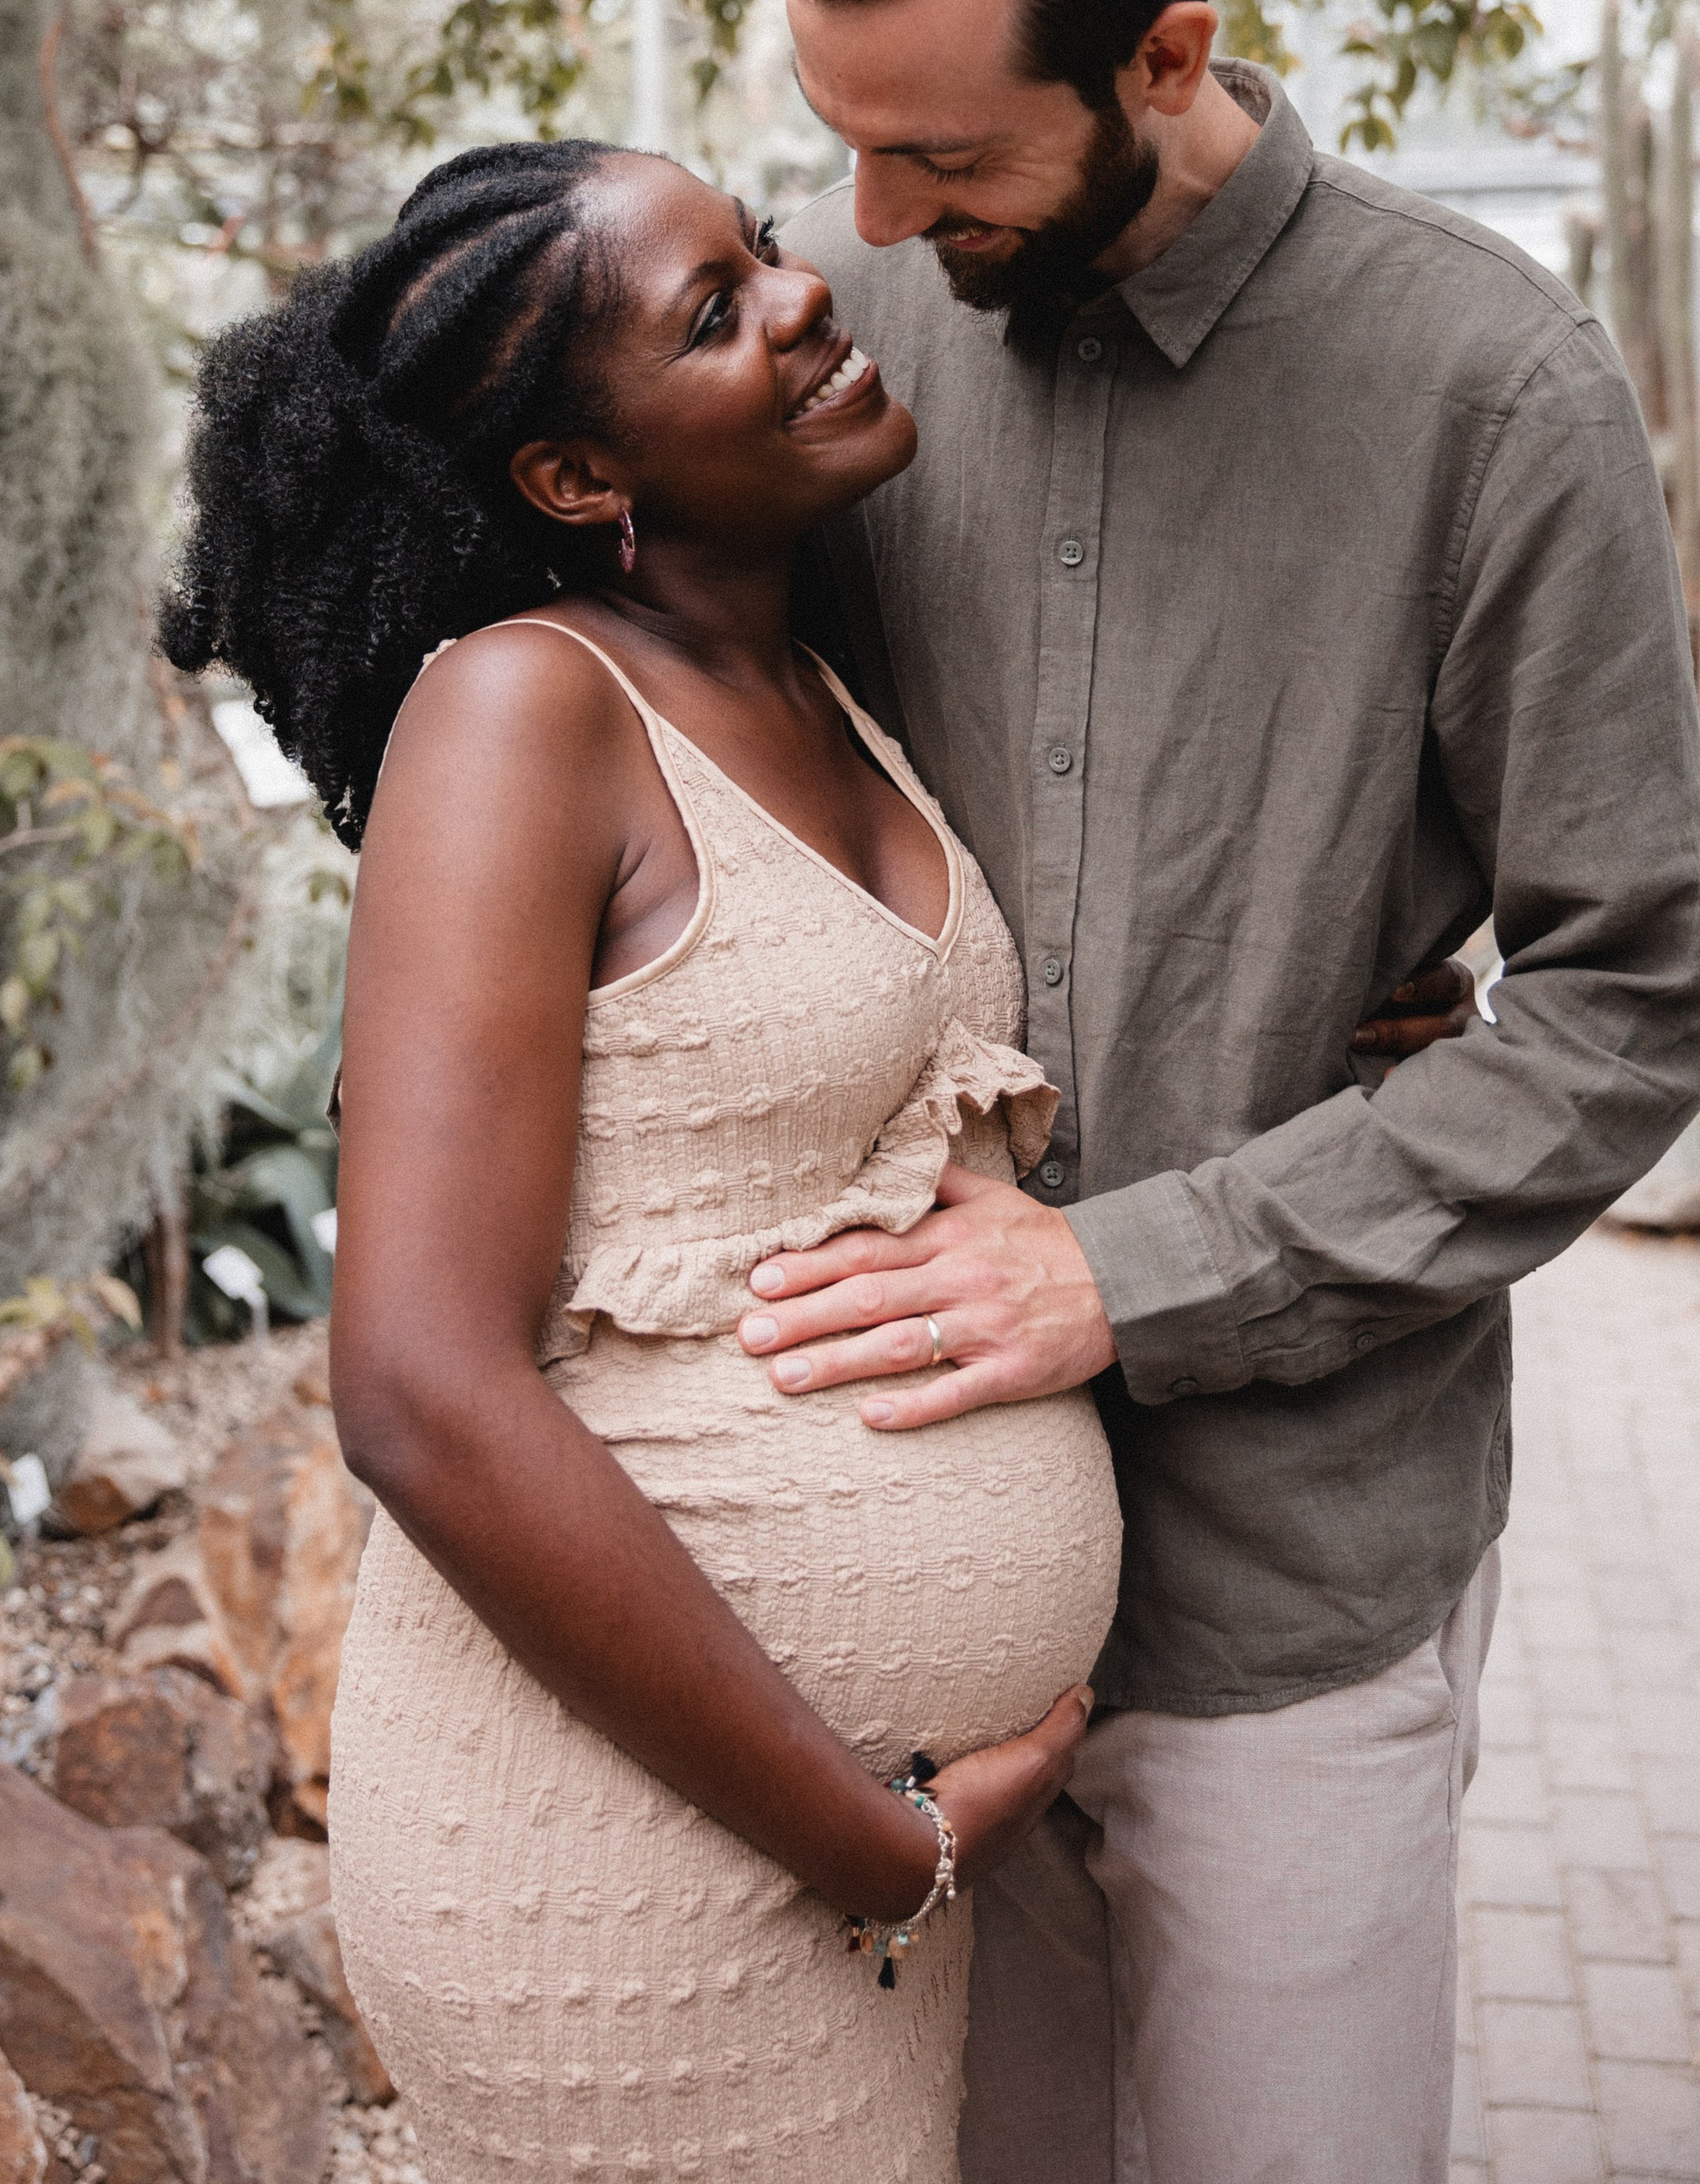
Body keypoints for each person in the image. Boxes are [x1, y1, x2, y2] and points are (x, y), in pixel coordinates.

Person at [744, 0, 1700, 2184]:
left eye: (940, 154)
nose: (867, 223)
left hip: (1289, 1594)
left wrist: (1136, 1267)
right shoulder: (830, 337)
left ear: (1166, 56)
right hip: (902, 1558)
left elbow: (1626, 1009)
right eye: (840, 134)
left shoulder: (1491, 393)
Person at [157, 139, 1126, 2183]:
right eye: (714, 311)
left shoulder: (804, 679)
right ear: (574, 476)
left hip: (849, 1848)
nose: (802, 293)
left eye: (758, 248)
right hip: (636, 1861)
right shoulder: (523, 714)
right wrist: (870, 1840)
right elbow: (418, 1388)